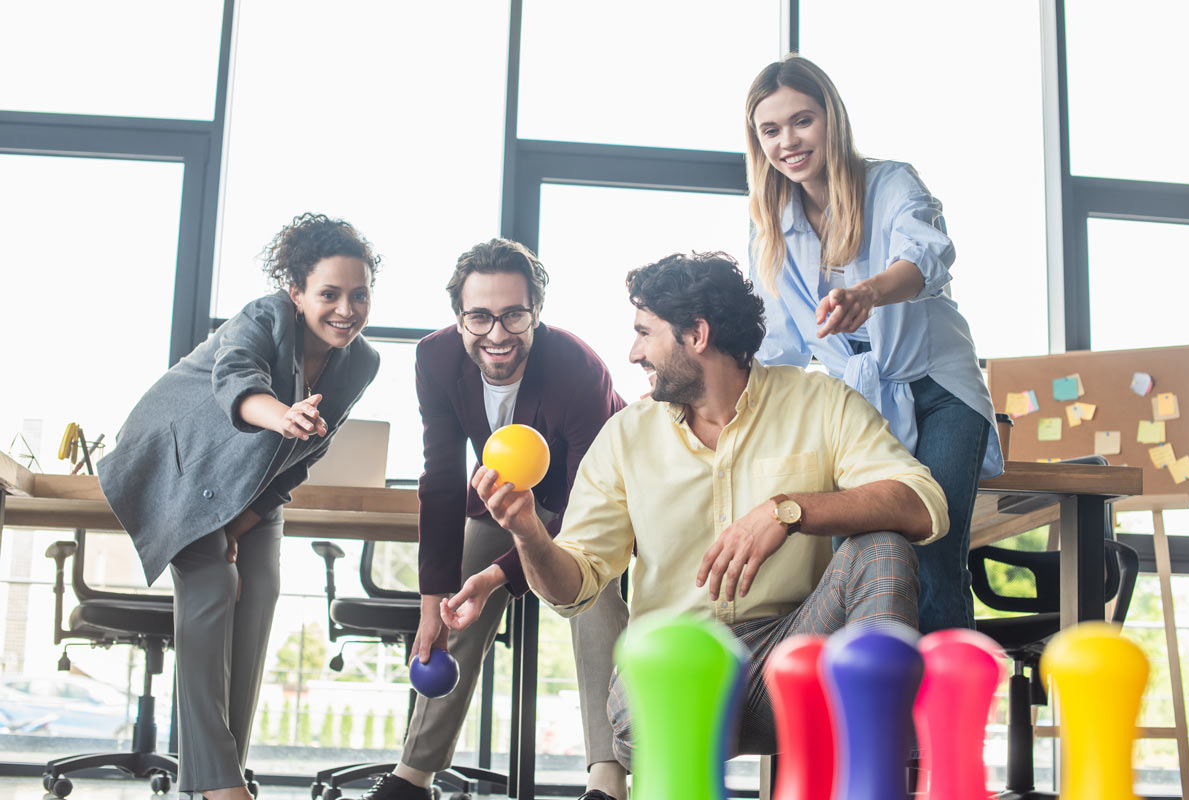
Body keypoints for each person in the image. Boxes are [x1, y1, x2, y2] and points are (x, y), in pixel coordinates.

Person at [462, 251, 949, 769]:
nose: (633, 353)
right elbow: (573, 589)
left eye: (645, 333)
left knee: (882, 547)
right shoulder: (626, 435)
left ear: (696, 334)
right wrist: (529, 533)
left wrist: (787, 510)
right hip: (670, 670)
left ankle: (877, 774)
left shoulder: (820, 403)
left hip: (790, 660)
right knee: (662, 683)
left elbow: (922, 503)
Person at [98, 213, 382, 800]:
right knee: (212, 591)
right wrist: (283, 414)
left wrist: (245, 519)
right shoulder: (264, 316)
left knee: (261, 591)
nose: (346, 310)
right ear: (297, 291)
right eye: (329, 294)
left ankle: (225, 768)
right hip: (183, 461)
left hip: (253, 485)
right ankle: (221, 786)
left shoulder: (361, 362)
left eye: (359, 295)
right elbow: (237, 377)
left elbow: (309, 453)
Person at [353, 239, 630, 800]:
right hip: (503, 500)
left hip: (589, 502)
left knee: (593, 597)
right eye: (480, 316)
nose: (497, 333)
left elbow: (581, 512)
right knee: (456, 603)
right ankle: (415, 774)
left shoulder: (577, 367)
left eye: (513, 315)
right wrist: (434, 600)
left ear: (537, 313)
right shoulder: (435, 358)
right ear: (459, 318)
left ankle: (608, 778)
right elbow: (441, 479)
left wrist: (499, 575)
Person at [743, 55, 1002, 633]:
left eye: (802, 121)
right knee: (861, 559)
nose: (789, 141)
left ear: (831, 119)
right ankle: (871, 716)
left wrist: (869, 293)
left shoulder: (890, 182)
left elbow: (927, 257)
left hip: (938, 389)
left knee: (933, 554)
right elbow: (777, 349)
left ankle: (942, 722)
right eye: (771, 130)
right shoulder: (769, 226)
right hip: (857, 406)